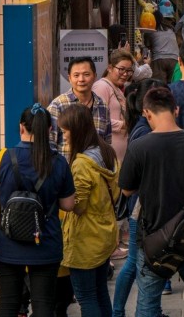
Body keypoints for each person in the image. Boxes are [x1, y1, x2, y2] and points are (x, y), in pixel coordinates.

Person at [119, 87, 184, 317]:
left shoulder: (139, 147)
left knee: (146, 306)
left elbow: (126, 189)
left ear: (147, 113)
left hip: (153, 239)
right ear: (175, 110)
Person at [0, 104, 76, 317]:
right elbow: (68, 205)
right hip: (45, 244)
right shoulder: (59, 162)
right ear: (49, 130)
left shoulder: (2, 159)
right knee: (44, 305)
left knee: (8, 304)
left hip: (7, 245)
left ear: (21, 128)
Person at [59, 104, 120, 317]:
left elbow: (78, 206)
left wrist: (60, 197)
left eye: (65, 131)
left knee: (86, 297)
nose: (64, 136)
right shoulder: (107, 151)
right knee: (101, 292)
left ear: (76, 130)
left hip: (85, 238)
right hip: (105, 232)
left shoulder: (81, 164)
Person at [113, 79, 167, 317]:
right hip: (141, 210)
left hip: (143, 208)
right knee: (135, 264)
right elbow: (131, 181)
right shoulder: (144, 132)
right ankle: (118, 312)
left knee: (141, 264)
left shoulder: (142, 127)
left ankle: (148, 310)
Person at [48, 56, 112, 162]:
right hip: (68, 173)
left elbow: (107, 142)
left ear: (95, 76)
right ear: (69, 78)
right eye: (76, 75)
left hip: (95, 172)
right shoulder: (58, 105)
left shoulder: (102, 105)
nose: (81, 79)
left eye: (86, 74)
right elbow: (50, 144)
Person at [92, 49, 135, 164]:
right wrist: (123, 125)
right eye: (121, 69)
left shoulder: (116, 88)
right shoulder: (101, 87)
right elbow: (96, 120)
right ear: (110, 68)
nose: (125, 74)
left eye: (129, 70)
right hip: (108, 154)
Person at [145, 10, 180, 83]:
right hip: (174, 59)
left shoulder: (150, 31)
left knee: (159, 86)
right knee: (173, 84)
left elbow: (147, 45)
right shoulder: (170, 29)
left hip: (159, 59)